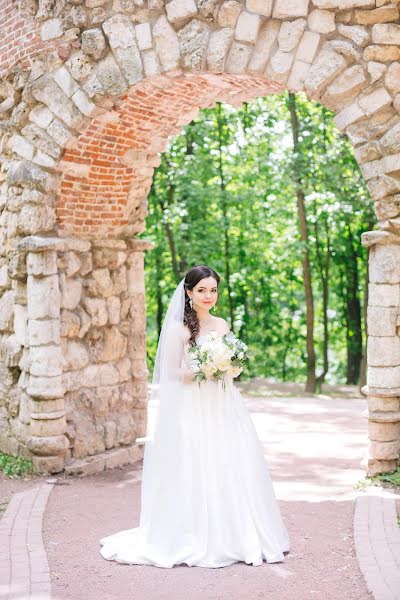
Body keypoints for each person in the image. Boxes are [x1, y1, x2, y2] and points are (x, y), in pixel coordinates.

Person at [100, 265, 290, 568]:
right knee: (197, 461)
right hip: (193, 405)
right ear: (189, 292)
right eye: (201, 290)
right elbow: (171, 372)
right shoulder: (180, 330)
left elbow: (232, 363)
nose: (208, 296)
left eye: (213, 290)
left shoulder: (222, 325)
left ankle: (237, 532)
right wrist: (201, 369)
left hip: (223, 403)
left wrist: (229, 367)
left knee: (229, 461)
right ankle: (195, 535)